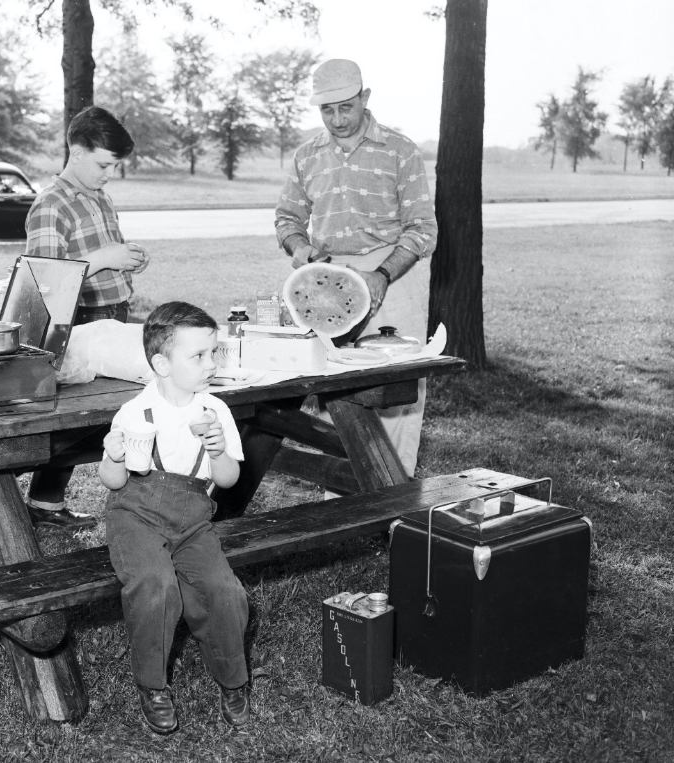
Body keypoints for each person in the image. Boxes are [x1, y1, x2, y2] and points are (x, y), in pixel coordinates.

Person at [274, 58, 437, 476]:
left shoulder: (400, 150)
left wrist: (381, 275)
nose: (337, 119)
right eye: (326, 110)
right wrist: (303, 252)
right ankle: (344, 492)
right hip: (328, 277)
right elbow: (287, 219)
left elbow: (422, 229)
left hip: (392, 272)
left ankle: (394, 502)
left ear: (365, 98)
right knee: (335, 388)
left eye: (345, 107)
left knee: (398, 390)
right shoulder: (307, 155)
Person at [99, 302, 250, 734]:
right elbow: (112, 481)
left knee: (224, 590)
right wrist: (112, 456)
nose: (211, 364)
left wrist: (219, 450)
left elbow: (229, 478)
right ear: (162, 364)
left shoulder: (216, 412)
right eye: (198, 356)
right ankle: (153, 684)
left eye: (214, 353)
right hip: (135, 516)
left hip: (192, 521)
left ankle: (233, 679)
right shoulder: (135, 413)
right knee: (156, 585)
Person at [23, 105, 151, 529]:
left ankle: (60, 500)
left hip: (113, 311)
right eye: (103, 163)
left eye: (115, 165)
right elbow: (44, 276)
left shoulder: (98, 195)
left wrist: (125, 258)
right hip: (80, 320)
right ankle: (43, 501)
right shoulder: (50, 205)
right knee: (76, 417)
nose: (109, 173)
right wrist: (103, 258)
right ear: (76, 151)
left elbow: (105, 250)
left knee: (116, 410)